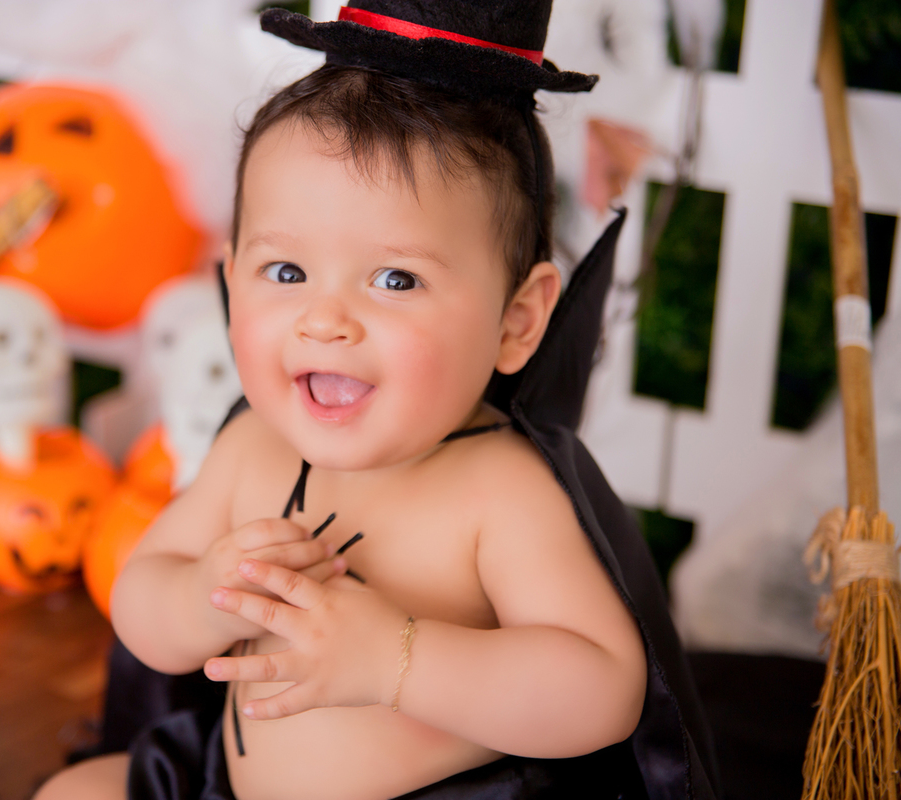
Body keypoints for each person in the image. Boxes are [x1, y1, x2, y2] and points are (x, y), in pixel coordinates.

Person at [36, 2, 718, 798]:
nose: (325, 320)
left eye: (396, 279)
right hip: (223, 781)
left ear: (516, 320)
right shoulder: (251, 447)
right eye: (286, 272)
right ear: (229, 278)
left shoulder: (499, 492)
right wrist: (201, 598)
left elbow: (600, 691)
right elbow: (142, 597)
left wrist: (396, 658)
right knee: (74, 794)